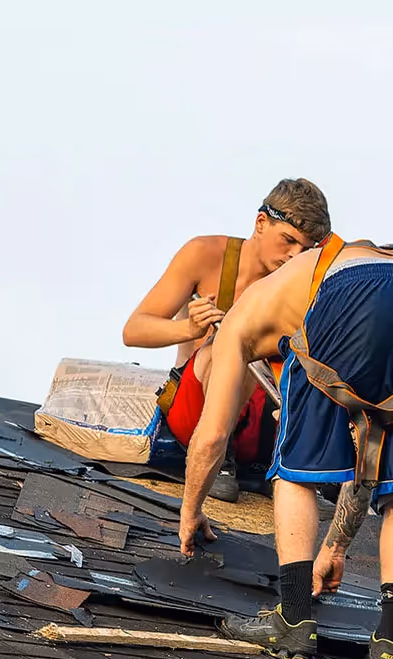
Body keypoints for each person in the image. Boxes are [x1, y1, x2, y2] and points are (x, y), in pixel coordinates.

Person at [174, 228, 393, 659]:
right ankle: (387, 645)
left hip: (347, 291)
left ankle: (294, 623)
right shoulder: (309, 275)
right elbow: (368, 459)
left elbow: (211, 435)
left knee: (296, 471)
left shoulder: (239, 322)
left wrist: (189, 510)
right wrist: (335, 546)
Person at [123, 180, 332, 490]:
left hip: (263, 423)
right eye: (288, 240)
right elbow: (134, 330)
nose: (294, 256)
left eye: (305, 249)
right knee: (231, 342)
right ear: (261, 222)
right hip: (195, 413)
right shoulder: (205, 254)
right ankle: (220, 459)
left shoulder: (306, 283)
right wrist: (189, 329)